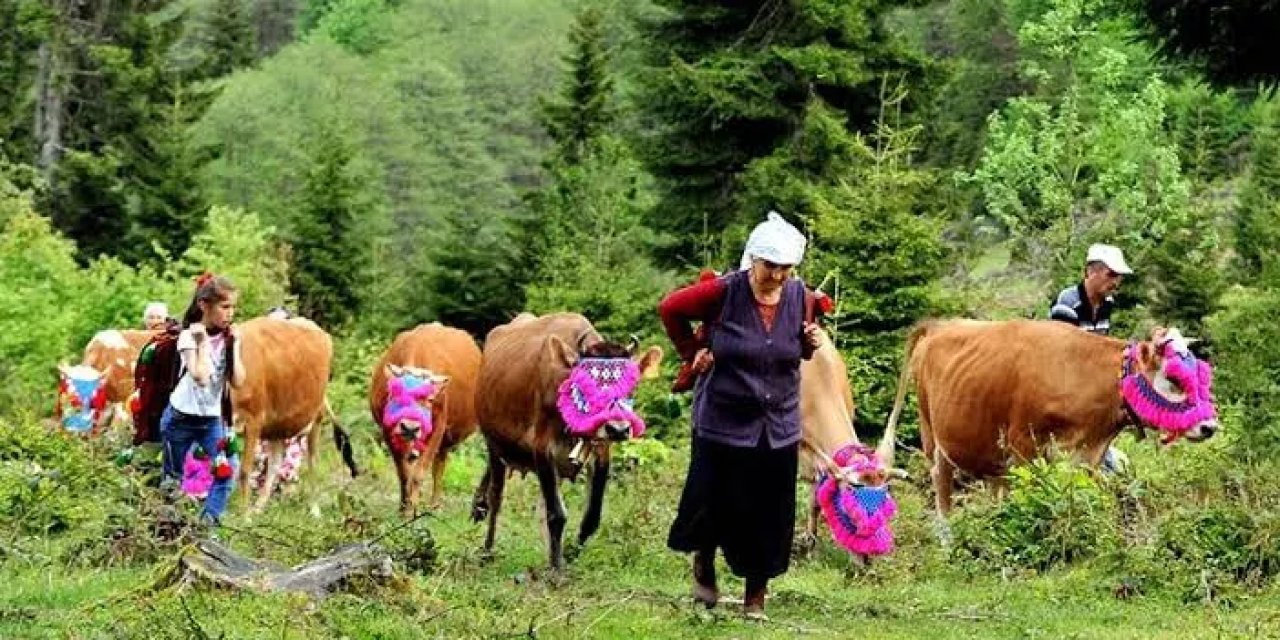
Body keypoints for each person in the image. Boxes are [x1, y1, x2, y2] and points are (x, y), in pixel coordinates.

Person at [658, 211, 824, 620]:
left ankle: (756, 597)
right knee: (712, 503)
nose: (779, 276)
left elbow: (791, 351)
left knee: (769, 511)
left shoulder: (801, 298)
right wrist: (690, 352)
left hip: (778, 423)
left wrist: (810, 343)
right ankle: (705, 567)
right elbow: (671, 309)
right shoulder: (723, 292)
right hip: (723, 419)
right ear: (754, 261)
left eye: (787, 267)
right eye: (771, 267)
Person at [160, 273, 246, 524]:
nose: (230, 313)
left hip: (211, 421)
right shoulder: (189, 337)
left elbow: (239, 381)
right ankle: (169, 528)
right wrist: (202, 343)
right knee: (171, 480)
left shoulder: (230, 339)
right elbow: (201, 376)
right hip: (180, 418)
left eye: (233, 307)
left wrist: (237, 346)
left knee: (227, 471)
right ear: (204, 306)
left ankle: (206, 527)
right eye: (225, 306)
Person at [1049, 243, 1132, 473]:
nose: (1116, 282)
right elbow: (1062, 355)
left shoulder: (1107, 304)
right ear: (1091, 272)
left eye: (1119, 277)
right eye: (1111, 274)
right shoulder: (1068, 303)